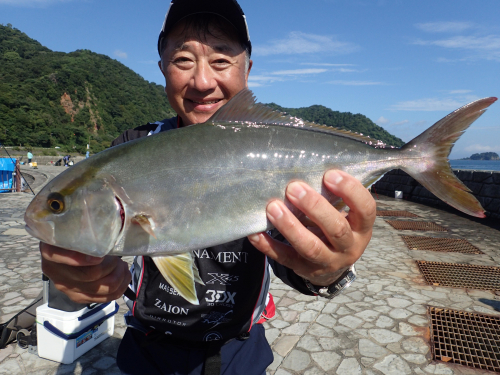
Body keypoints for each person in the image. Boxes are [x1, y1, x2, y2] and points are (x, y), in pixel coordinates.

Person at [40, 1, 376, 374]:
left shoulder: (275, 153)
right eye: (183, 60)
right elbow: (94, 251)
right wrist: (75, 273)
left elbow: (298, 263)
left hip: (239, 352)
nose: (202, 81)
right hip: (146, 349)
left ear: (247, 70)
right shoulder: (131, 148)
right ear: (163, 70)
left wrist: (329, 271)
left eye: (221, 60)